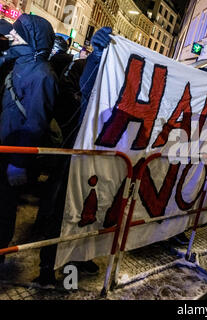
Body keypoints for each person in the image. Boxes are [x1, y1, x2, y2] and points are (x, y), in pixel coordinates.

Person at [32, 27, 113, 288]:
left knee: (86, 214)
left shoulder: (115, 79)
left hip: (98, 159)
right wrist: (97, 57)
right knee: (61, 212)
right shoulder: (86, 69)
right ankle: (48, 270)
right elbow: (84, 90)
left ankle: (74, 270)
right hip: (74, 153)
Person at [0, 14, 57, 264]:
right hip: (3, 147)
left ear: (33, 39)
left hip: (11, 156)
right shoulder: (17, 63)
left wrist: (19, 162)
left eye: (18, 33)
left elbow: (35, 123)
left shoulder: (42, 75)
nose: (12, 35)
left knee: (3, 206)